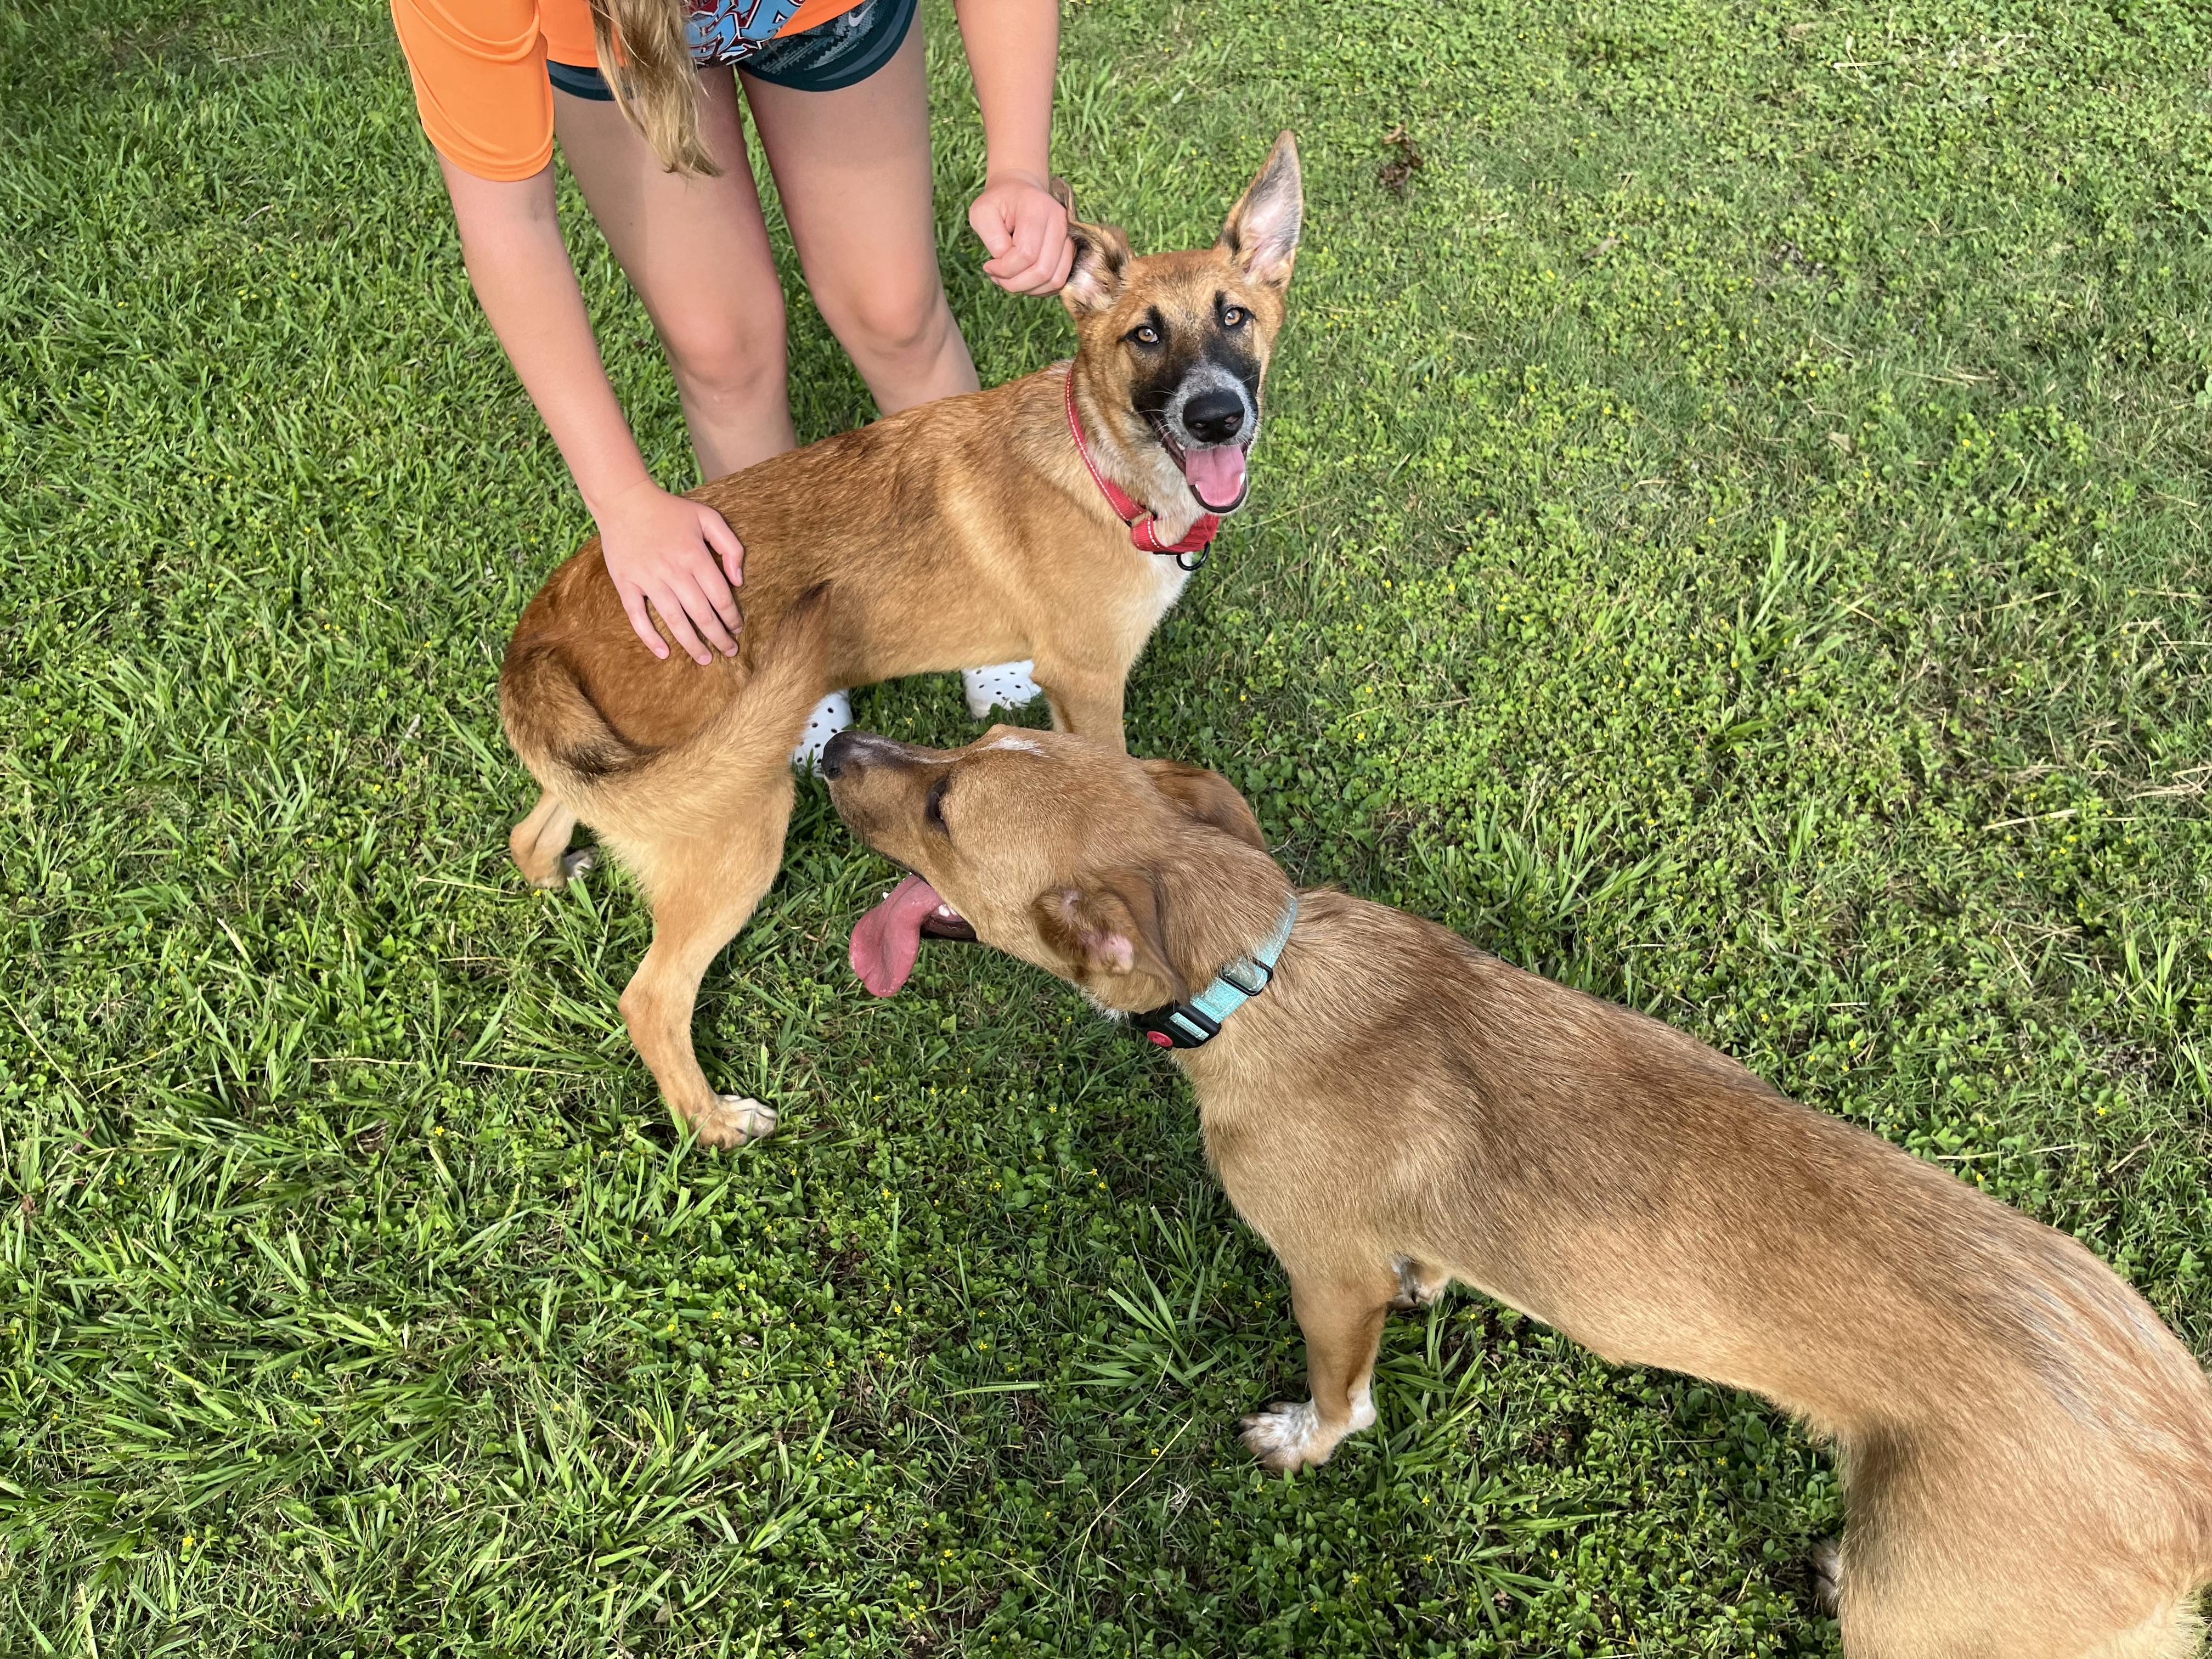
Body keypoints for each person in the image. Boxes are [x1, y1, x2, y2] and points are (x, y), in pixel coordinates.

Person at [389, 0, 1075, 760]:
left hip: (826, 14)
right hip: (610, 41)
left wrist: (1019, 166)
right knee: (721, 350)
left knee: (896, 312)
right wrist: (621, 501)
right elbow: (505, 223)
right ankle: (787, 638)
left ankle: (988, 591)